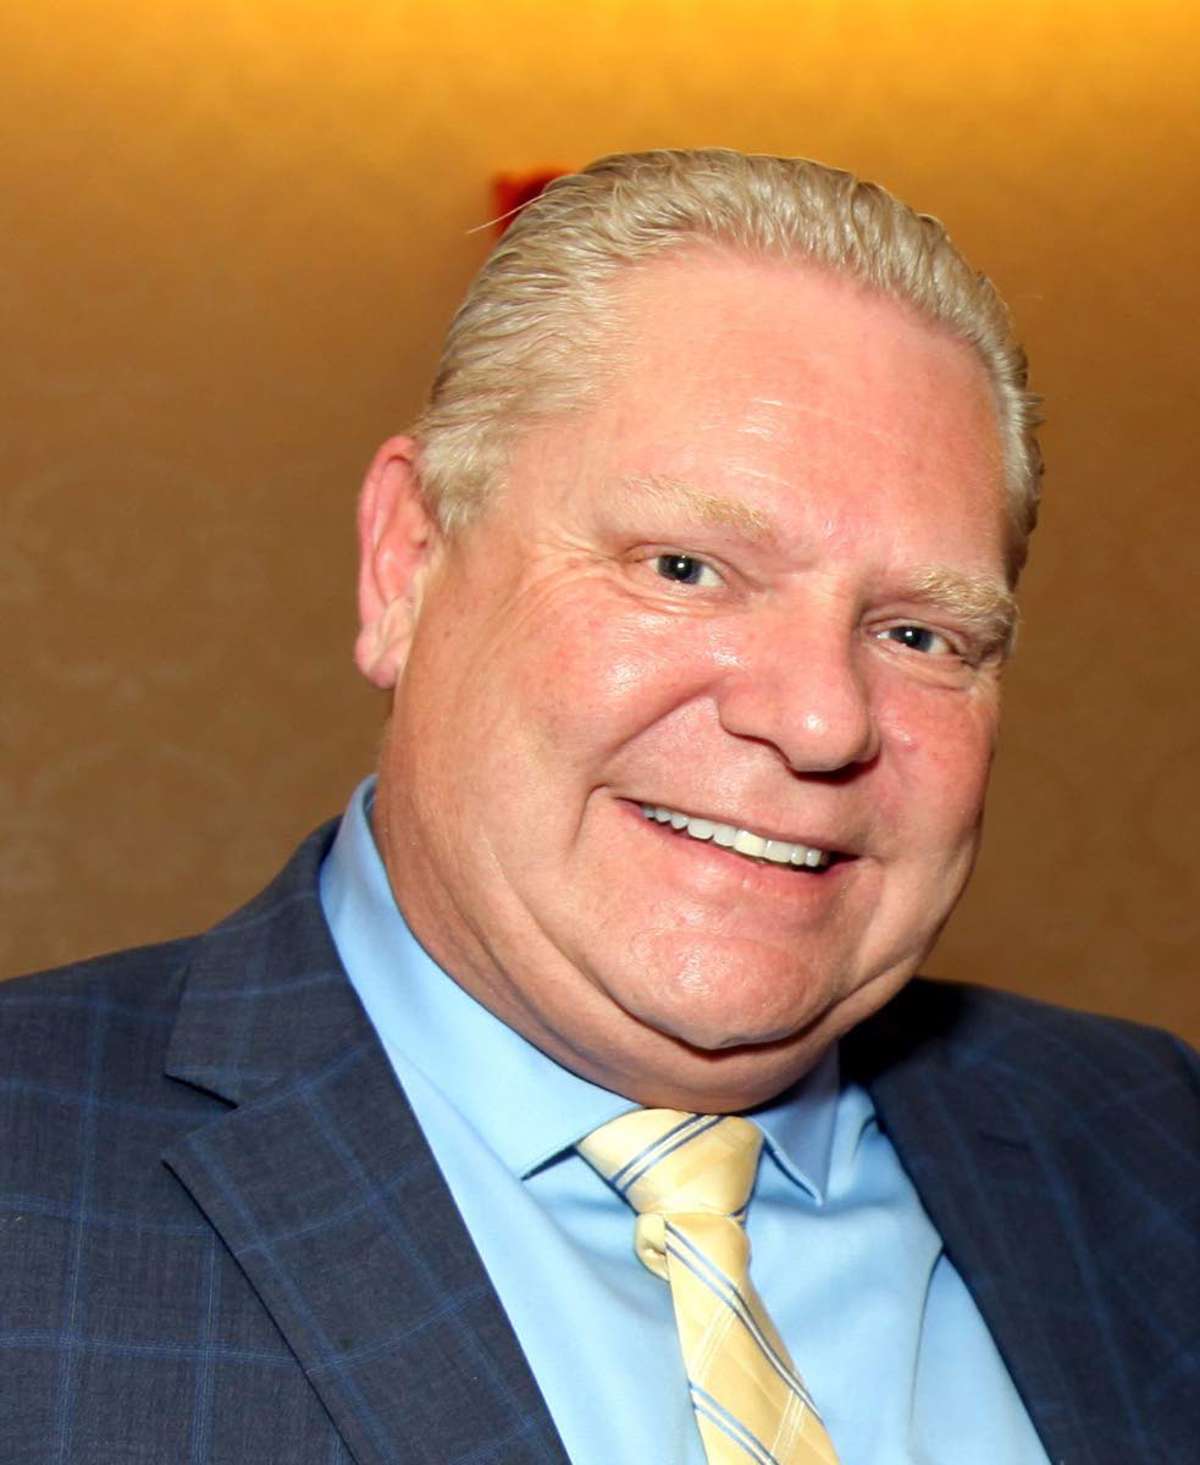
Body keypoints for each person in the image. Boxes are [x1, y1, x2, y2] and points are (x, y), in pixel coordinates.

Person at [1, 150, 1195, 1465]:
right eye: (685, 567)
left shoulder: (1152, 1150)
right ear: (407, 561)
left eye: (920, 634)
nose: (821, 720)